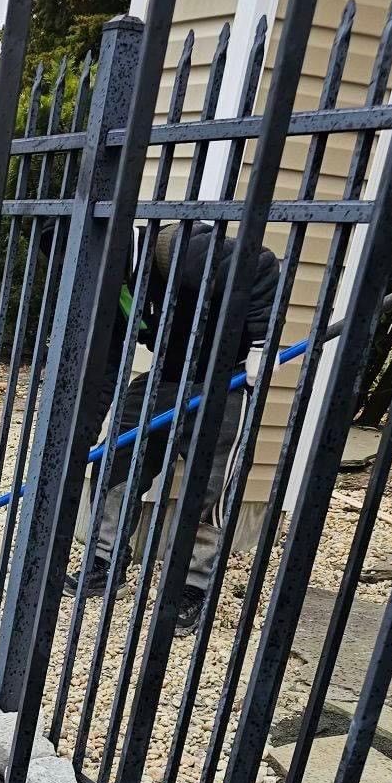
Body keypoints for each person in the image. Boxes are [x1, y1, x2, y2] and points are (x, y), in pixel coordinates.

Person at [83, 222, 280, 632]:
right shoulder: (111, 287)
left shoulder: (177, 247)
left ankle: (190, 588)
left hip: (224, 384)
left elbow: (260, 266)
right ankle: (106, 561)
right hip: (165, 379)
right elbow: (105, 371)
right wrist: (82, 441)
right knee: (117, 460)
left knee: (206, 491)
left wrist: (263, 344)